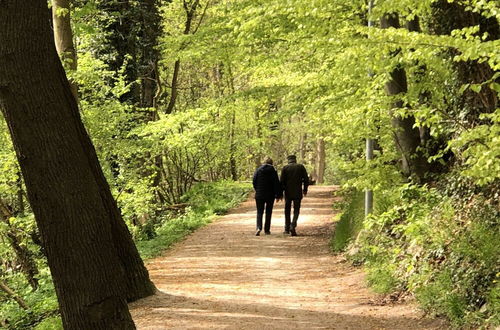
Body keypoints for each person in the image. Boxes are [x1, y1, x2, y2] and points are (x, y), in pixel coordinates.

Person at [252, 157, 282, 236]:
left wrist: (257, 189)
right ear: (271, 163)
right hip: (270, 195)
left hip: (259, 195)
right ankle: (267, 230)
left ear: (264, 162)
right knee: (268, 212)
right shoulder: (273, 171)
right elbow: (276, 183)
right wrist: (278, 195)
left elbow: (254, 181)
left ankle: (258, 227)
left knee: (259, 212)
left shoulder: (258, 170)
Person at [280, 155, 308, 236]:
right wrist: (305, 189)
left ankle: (287, 228)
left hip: (288, 193)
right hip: (297, 192)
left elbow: (281, 181)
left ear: (288, 160)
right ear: (295, 160)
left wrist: (281, 193)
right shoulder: (300, 167)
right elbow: (306, 179)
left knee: (287, 210)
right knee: (296, 210)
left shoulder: (285, 168)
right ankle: (293, 225)